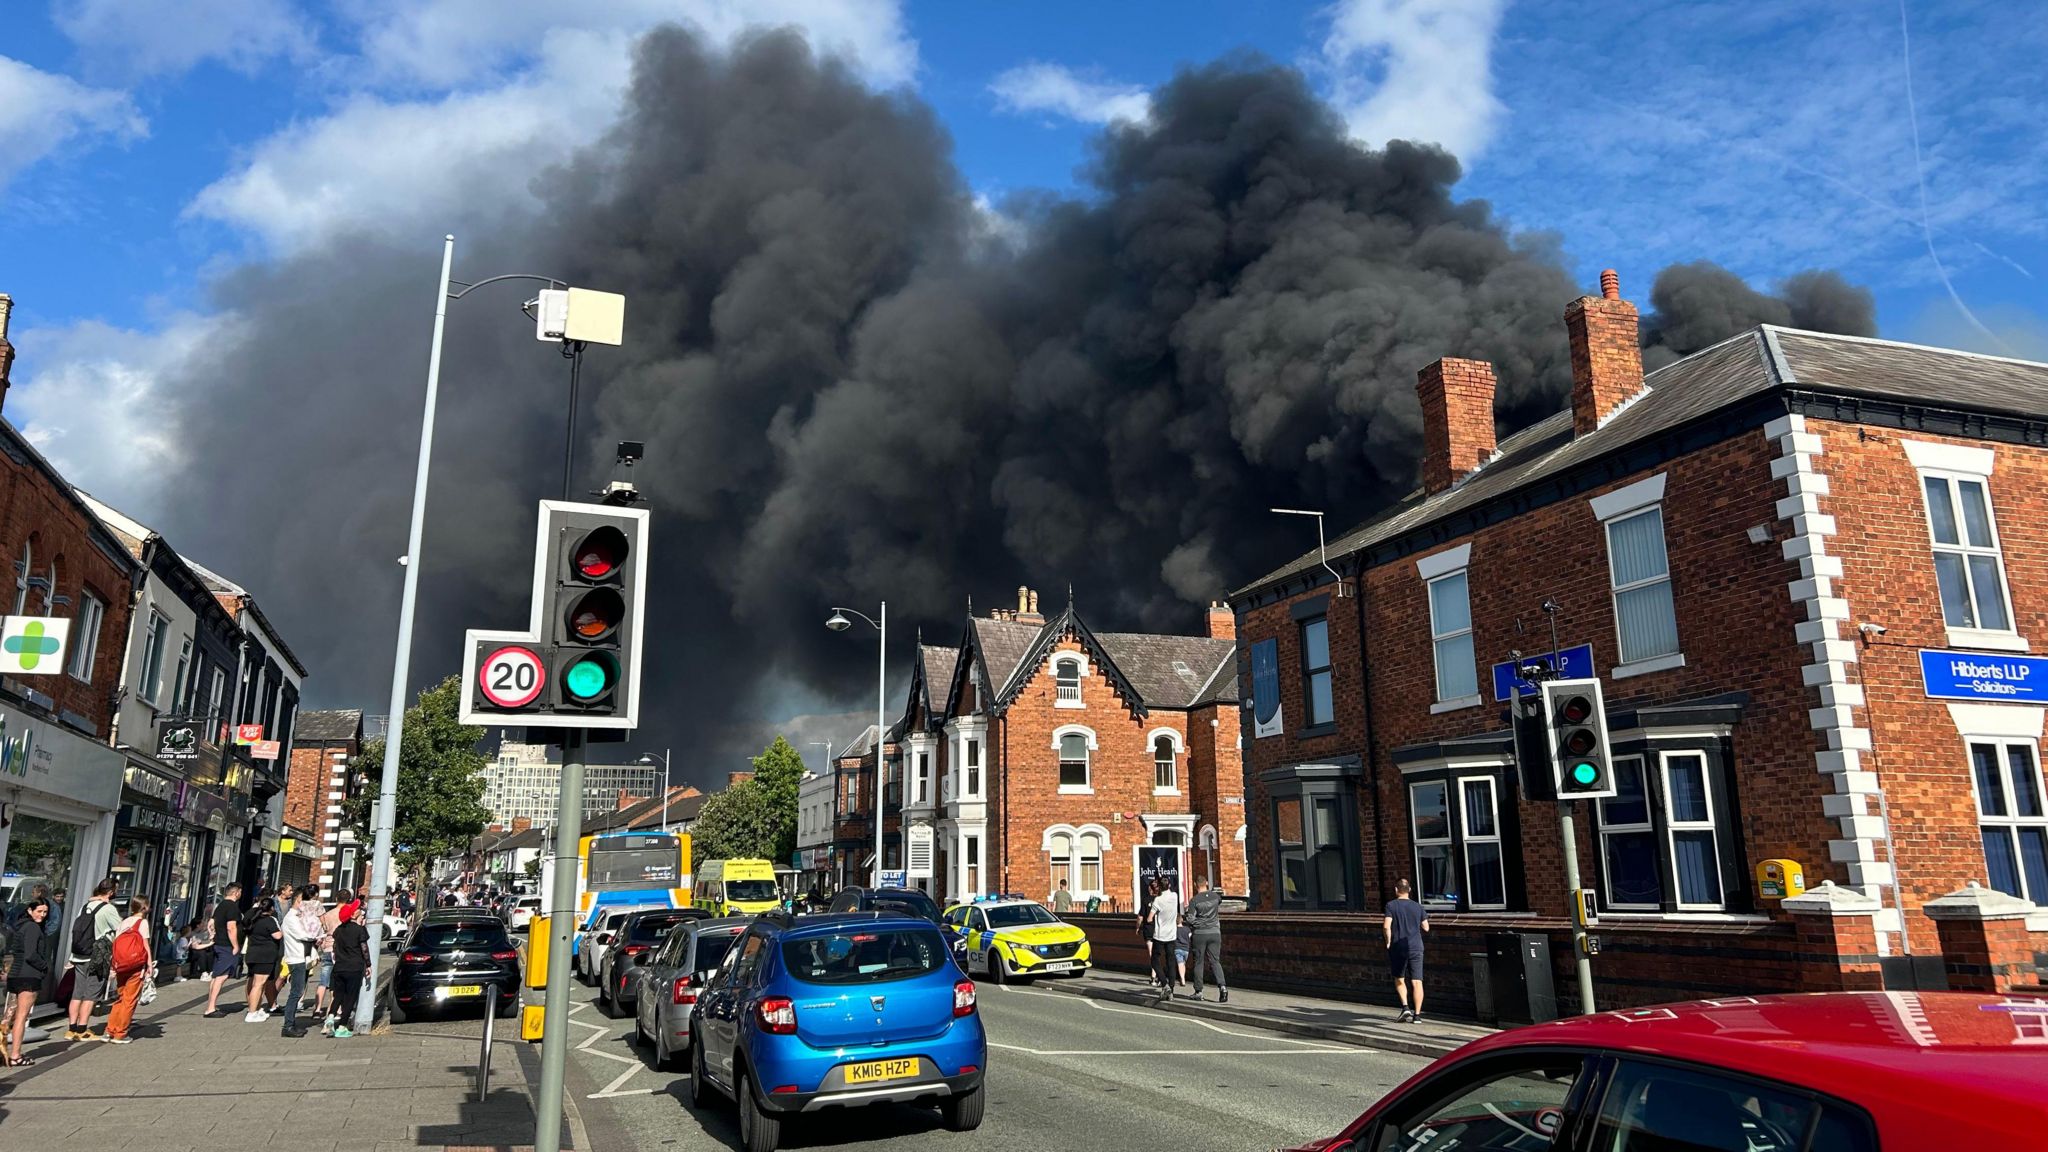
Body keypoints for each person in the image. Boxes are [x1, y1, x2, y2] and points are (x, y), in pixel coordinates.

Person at [65, 878, 122, 1042]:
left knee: (77, 992)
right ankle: (82, 1029)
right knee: (91, 993)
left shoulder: (85, 907)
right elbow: (121, 929)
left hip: (79, 955)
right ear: (111, 892)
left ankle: (71, 1029)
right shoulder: (108, 909)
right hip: (97, 956)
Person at [5, 896, 53, 1066]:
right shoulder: (33, 928)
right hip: (29, 975)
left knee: (9, 1016)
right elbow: (31, 954)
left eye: (45, 912)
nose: (42, 915)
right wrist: (45, 966)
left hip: (16, 973)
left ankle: (7, 1052)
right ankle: (15, 1054)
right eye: (39, 911)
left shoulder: (20, 926)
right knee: (21, 1017)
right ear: (30, 910)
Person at [102, 896, 153, 1044]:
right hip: (136, 965)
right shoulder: (142, 923)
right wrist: (149, 964)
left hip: (121, 965)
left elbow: (116, 944)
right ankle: (121, 1033)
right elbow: (145, 944)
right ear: (144, 908)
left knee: (120, 997)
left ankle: (109, 1030)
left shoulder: (123, 922)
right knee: (130, 1000)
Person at [1384, 878, 1430, 1023]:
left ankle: (1405, 1007)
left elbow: (1386, 926)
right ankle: (1417, 1016)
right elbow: (1426, 927)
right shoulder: (1418, 907)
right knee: (1417, 981)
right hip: (1416, 946)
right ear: (1409, 890)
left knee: (1399, 978)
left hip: (1399, 946)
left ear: (1396, 890)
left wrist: (1388, 941)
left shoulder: (1391, 905)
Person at [279, 885, 323, 1037]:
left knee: (299, 990)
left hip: (301, 958)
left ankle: (291, 1023)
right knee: (296, 992)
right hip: (295, 958)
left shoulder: (298, 917)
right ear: (298, 901)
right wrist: (318, 934)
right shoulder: (291, 919)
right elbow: (303, 935)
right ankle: (288, 1025)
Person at [1183, 876, 1227, 1003]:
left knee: (1199, 962)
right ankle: (1223, 987)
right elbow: (1219, 901)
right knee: (1215, 961)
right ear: (1206, 883)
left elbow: (1190, 919)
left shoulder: (1194, 901)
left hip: (1200, 934)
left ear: (1195, 884)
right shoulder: (1215, 897)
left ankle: (1198, 991)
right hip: (1215, 932)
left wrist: (1200, 923)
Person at [328, 901, 369, 1039]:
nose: (359, 910)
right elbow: (364, 948)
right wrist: (368, 964)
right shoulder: (359, 929)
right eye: (357, 909)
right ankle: (342, 1026)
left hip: (339, 966)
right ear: (353, 914)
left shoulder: (338, 930)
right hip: (354, 967)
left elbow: (334, 947)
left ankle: (330, 1017)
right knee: (350, 998)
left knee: (338, 995)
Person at [203, 883, 244, 1017]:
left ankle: (211, 1005)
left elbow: (210, 923)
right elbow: (231, 928)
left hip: (219, 943)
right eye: (240, 892)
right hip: (227, 945)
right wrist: (236, 945)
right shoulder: (232, 907)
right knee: (222, 976)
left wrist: (212, 935)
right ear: (236, 892)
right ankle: (210, 1008)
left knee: (217, 976)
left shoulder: (220, 906)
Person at [1146, 879, 1181, 999]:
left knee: (1154, 961)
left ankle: (1164, 984)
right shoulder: (1175, 896)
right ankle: (1171, 988)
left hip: (1160, 936)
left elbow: (1149, 918)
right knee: (1171, 962)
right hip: (1172, 935)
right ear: (1169, 885)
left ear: (1159, 887)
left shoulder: (1158, 900)